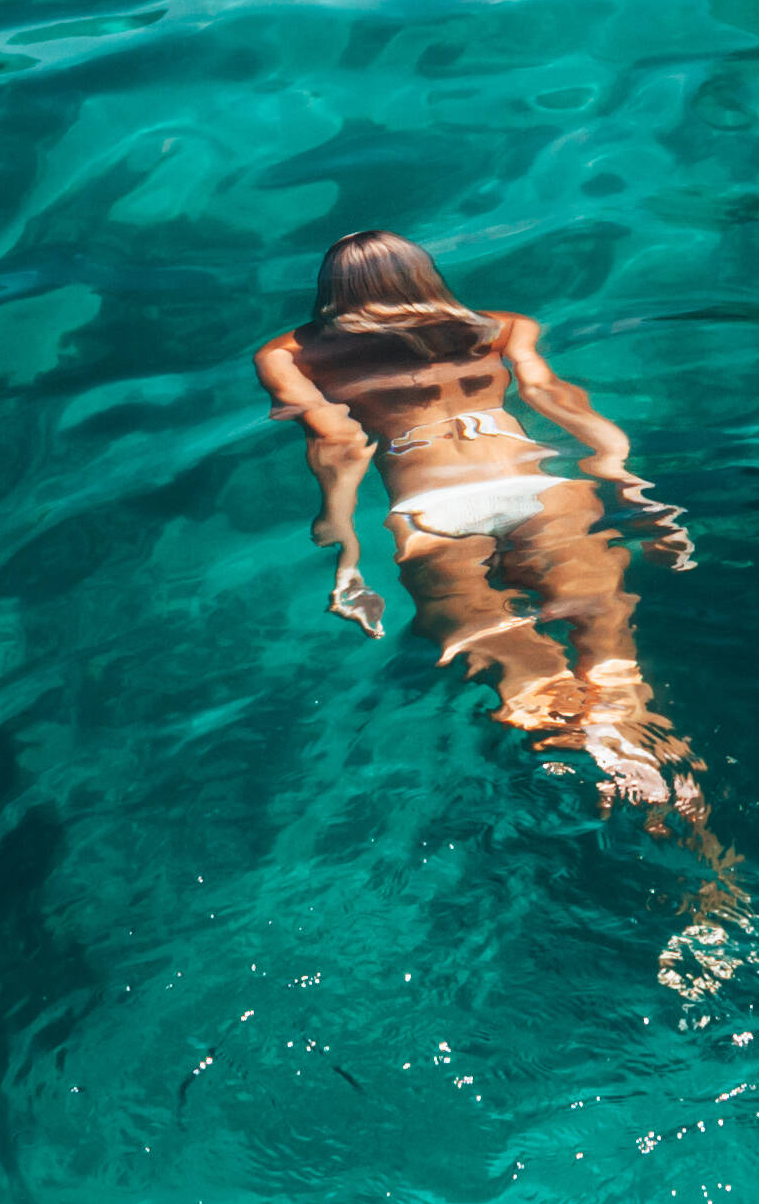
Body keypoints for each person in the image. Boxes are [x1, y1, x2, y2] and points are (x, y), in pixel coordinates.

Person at [253, 229, 714, 841]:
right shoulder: (502, 327)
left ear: (332, 289)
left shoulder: (288, 356)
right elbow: (554, 397)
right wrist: (634, 491)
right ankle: (686, 820)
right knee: (612, 658)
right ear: (424, 274)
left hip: (434, 512)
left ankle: (601, 761)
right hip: (538, 489)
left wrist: (347, 555)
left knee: (520, 670)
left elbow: (338, 445)